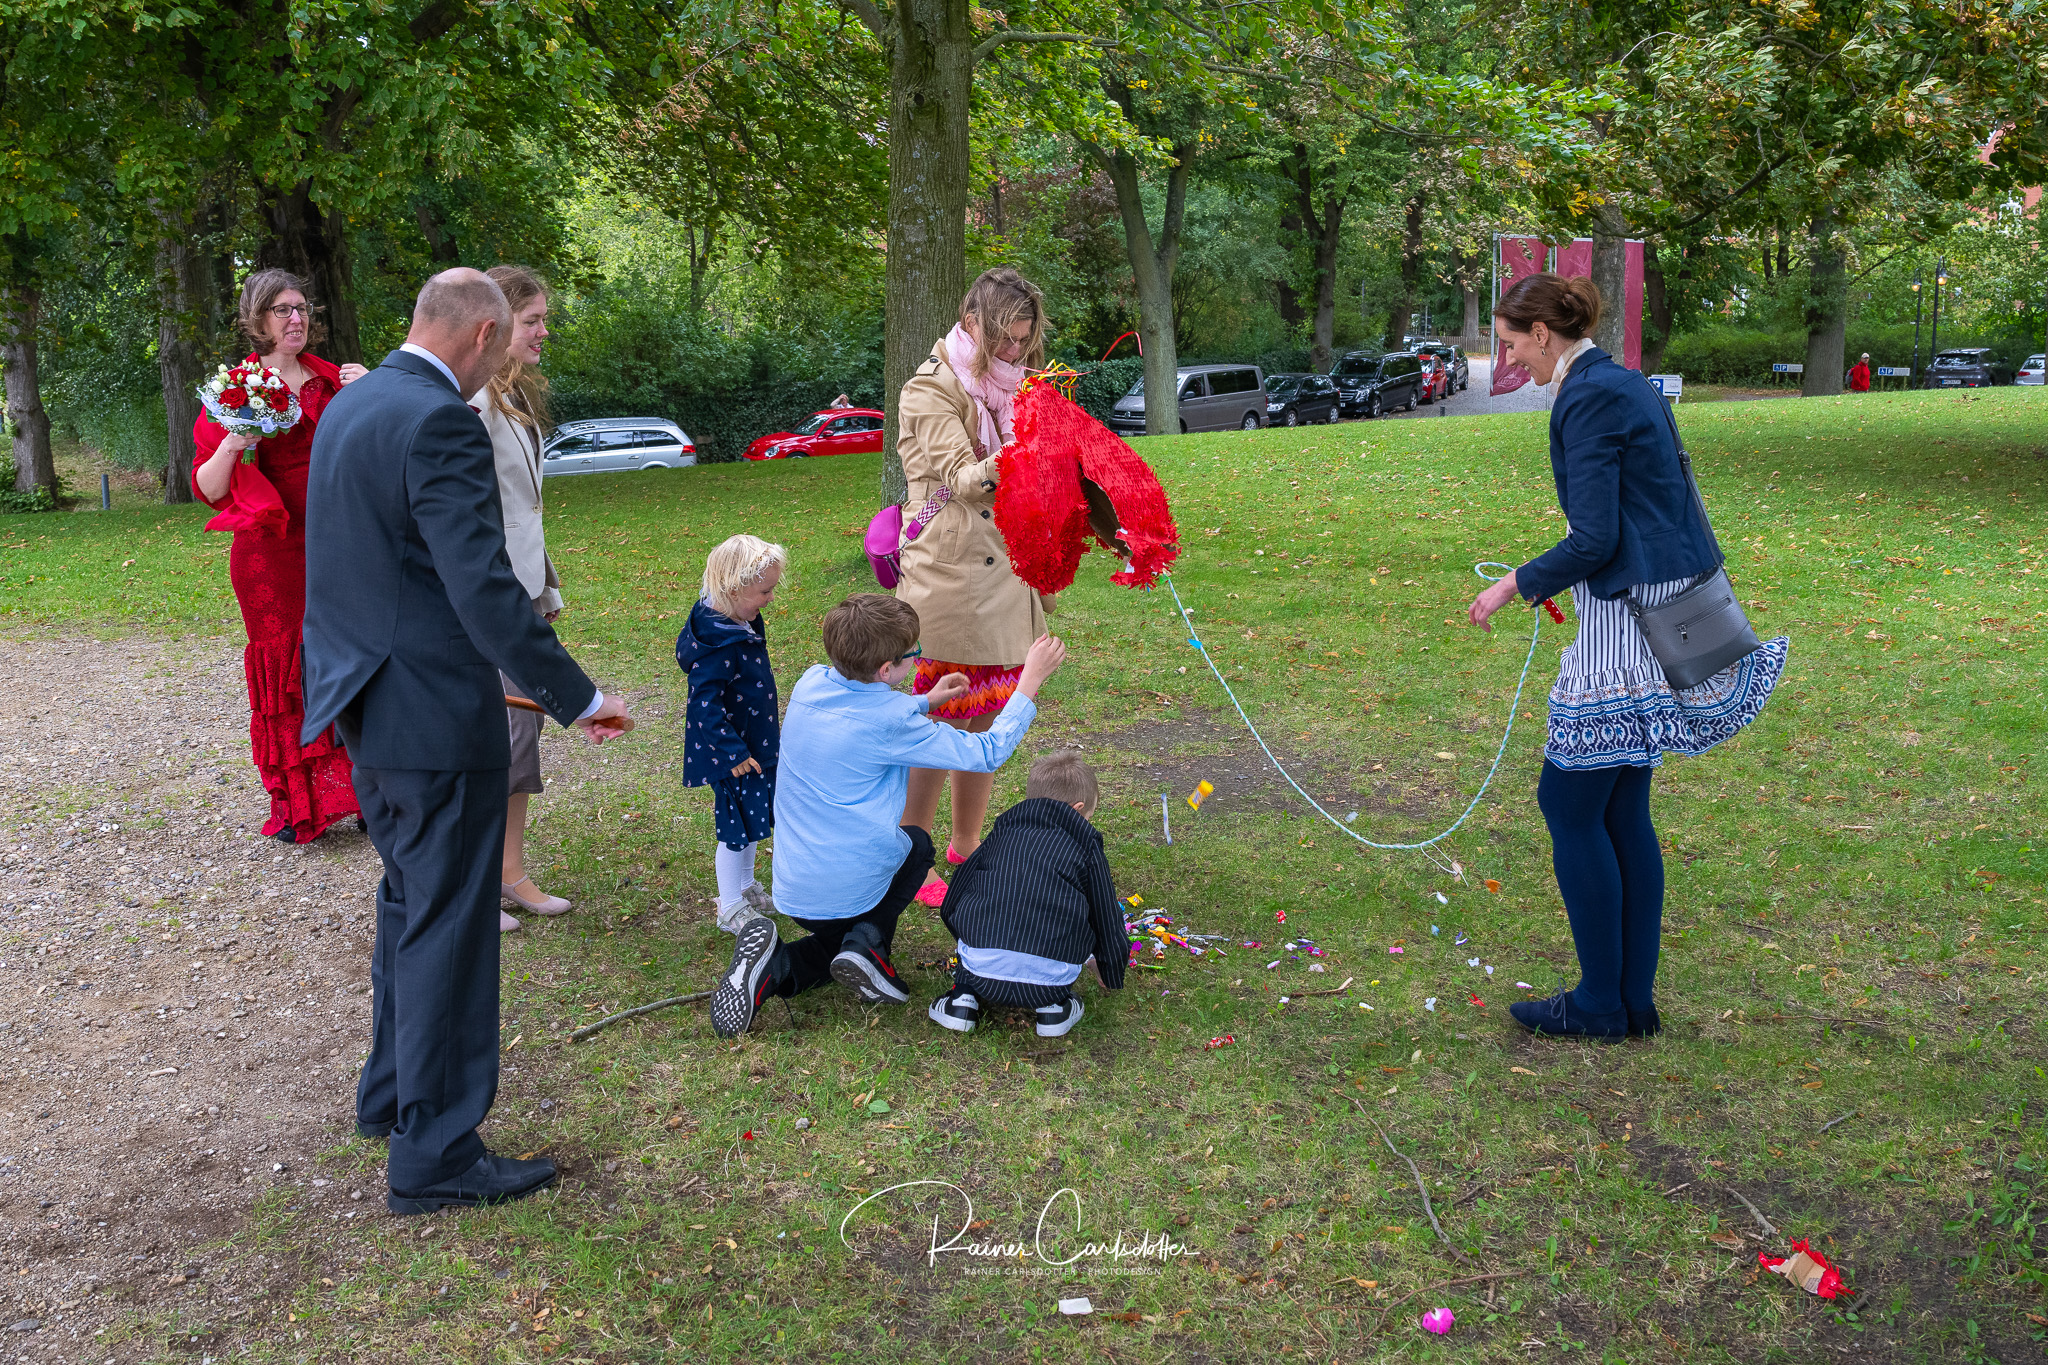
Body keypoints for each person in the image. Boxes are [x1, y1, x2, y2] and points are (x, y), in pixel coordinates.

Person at [301, 267, 633, 1214]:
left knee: (412, 903)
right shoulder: (441, 419)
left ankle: (393, 1099)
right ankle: (435, 1151)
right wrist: (577, 694)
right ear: (483, 334)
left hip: (370, 702)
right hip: (434, 712)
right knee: (447, 925)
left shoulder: (353, 405)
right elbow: (483, 586)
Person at [1467, 272, 1787, 1042]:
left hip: (1632, 618)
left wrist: (1514, 583)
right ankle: (1628, 1001)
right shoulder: (1619, 383)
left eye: (1512, 345)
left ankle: (1605, 1004)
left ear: (1543, 333)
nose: (1511, 362)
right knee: (1618, 808)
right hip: (1651, 601)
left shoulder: (1591, 395)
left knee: (1570, 803)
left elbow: (1596, 539)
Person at [710, 595, 1066, 1038]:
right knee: (917, 845)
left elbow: (875, 708)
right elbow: (987, 751)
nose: (915, 661)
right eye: (911, 657)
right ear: (885, 670)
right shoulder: (890, 724)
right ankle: (866, 943)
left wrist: (925, 700)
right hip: (848, 893)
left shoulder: (810, 683)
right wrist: (1028, 682)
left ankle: (773, 968)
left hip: (796, 890)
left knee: (828, 949)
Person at [896, 267, 1058, 908]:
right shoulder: (928, 390)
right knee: (936, 721)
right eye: (1007, 339)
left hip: (1006, 574)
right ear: (972, 323)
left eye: (1024, 340)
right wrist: (1036, 449)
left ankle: (964, 847)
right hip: (951, 577)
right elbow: (965, 480)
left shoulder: (1012, 386)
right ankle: (911, 851)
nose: (1017, 353)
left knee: (986, 718)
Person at [191, 269, 370, 844]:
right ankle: (301, 805)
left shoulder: (334, 379)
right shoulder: (233, 389)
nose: (296, 319)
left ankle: (372, 793)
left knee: (353, 663)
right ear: (256, 319)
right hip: (272, 554)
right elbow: (211, 489)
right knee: (290, 674)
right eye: (281, 309)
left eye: (302, 308)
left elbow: (380, 449)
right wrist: (233, 440)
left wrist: (373, 392)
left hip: (343, 546)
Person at [469, 265, 572, 932]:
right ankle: (475, 884)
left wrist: (548, 583)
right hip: (490, 601)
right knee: (494, 739)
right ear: (498, 325)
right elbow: (473, 520)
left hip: (525, 593)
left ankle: (511, 872)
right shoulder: (469, 407)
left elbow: (523, 508)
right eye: (532, 320)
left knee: (524, 735)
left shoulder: (515, 401)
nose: (542, 332)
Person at [928, 752, 1125, 1038]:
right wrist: (1110, 971)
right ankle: (1055, 1008)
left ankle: (962, 1001)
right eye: (1089, 817)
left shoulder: (1001, 833)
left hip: (980, 968)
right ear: (1078, 809)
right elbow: (1106, 916)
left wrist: (966, 940)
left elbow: (956, 894)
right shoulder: (1085, 845)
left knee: (975, 961)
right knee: (1069, 939)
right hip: (1051, 978)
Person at [677, 534, 787, 933]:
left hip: (755, 744)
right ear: (733, 587)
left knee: (755, 817)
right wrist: (732, 753)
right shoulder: (717, 643)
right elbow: (704, 706)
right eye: (764, 590)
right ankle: (729, 905)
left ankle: (745, 886)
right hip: (733, 754)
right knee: (735, 829)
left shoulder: (741, 619)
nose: (770, 598)